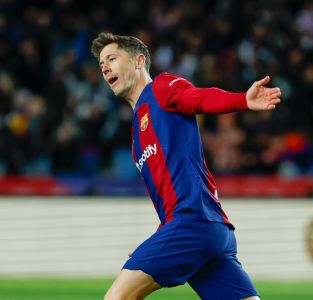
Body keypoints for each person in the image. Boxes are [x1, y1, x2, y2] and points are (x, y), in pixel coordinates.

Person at [91, 32, 281, 300]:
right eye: (101, 64)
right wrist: (160, 237)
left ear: (138, 61)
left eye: (112, 58)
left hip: (193, 224)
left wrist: (242, 100)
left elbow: (199, 98)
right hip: (210, 231)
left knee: (116, 298)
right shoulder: (136, 133)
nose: (105, 67)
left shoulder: (161, 87)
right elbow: (169, 193)